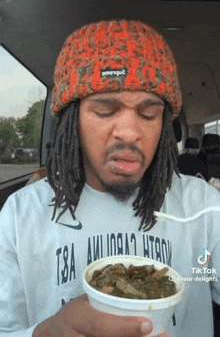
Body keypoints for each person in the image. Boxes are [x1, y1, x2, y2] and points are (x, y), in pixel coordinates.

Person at [1, 20, 220, 337]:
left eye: (148, 113)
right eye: (105, 109)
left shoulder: (203, 208)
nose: (130, 133)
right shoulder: (20, 216)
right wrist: (44, 333)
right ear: (72, 121)